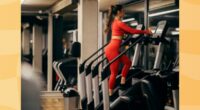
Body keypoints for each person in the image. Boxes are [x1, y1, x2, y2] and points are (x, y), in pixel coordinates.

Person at [104, 5, 152, 96]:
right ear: (118, 12)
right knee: (113, 73)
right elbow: (132, 31)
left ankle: (123, 80)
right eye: (123, 11)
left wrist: (125, 36)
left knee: (128, 62)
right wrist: (146, 32)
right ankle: (109, 94)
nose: (124, 12)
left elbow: (123, 33)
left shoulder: (115, 23)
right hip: (112, 49)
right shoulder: (119, 23)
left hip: (113, 48)